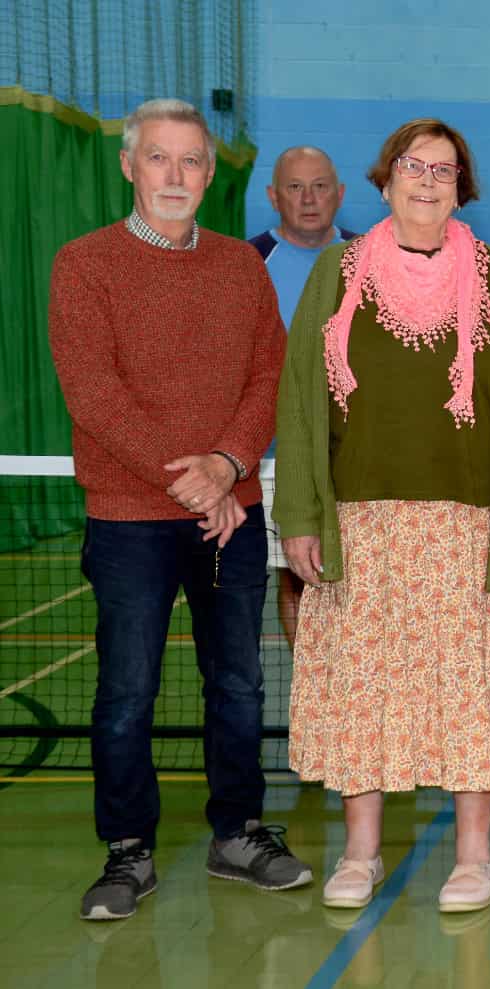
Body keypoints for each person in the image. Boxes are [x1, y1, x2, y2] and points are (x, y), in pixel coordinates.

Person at [278, 118, 490, 915]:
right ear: (385, 179)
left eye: (444, 169)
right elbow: (300, 401)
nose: (428, 181)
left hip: (466, 523)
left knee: (466, 688)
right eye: (412, 166)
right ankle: (359, 853)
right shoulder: (337, 271)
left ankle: (473, 857)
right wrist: (299, 512)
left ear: (463, 186)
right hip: (357, 524)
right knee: (363, 690)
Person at [50, 97, 310, 922]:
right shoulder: (83, 265)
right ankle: (127, 851)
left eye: (191, 160)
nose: (175, 175)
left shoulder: (241, 267)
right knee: (127, 691)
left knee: (238, 683)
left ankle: (238, 833)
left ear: (210, 173)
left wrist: (229, 465)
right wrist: (195, 482)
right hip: (131, 519)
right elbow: (95, 396)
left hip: (231, 514)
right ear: (129, 166)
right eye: (157, 158)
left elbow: (270, 377)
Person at [248, 145, 359, 655]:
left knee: (363, 583)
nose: (309, 198)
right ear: (274, 196)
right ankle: (313, 690)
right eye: (295, 187)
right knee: (294, 576)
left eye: (319, 186)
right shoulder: (247, 263)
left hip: (359, 459)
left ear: (339, 195)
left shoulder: (372, 256)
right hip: (275, 460)